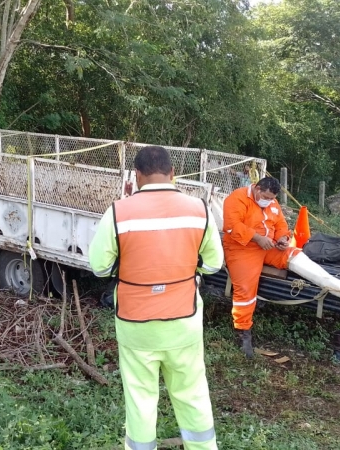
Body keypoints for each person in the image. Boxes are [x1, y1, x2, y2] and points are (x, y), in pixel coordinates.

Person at [89, 146, 224, 450]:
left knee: (140, 398)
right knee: (193, 394)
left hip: (136, 325)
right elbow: (214, 263)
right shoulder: (199, 209)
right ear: (173, 173)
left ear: (136, 176)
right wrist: (188, 268)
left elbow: (99, 267)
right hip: (183, 322)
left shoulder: (118, 211)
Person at [222, 177, 340, 358]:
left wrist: (283, 239)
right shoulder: (237, 198)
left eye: (271, 198)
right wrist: (257, 238)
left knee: (296, 255)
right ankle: (243, 332)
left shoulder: (272, 202)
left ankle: (339, 287)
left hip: (269, 245)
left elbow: (280, 224)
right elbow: (232, 226)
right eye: (265, 196)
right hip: (242, 248)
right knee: (245, 289)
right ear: (256, 188)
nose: (268, 201)